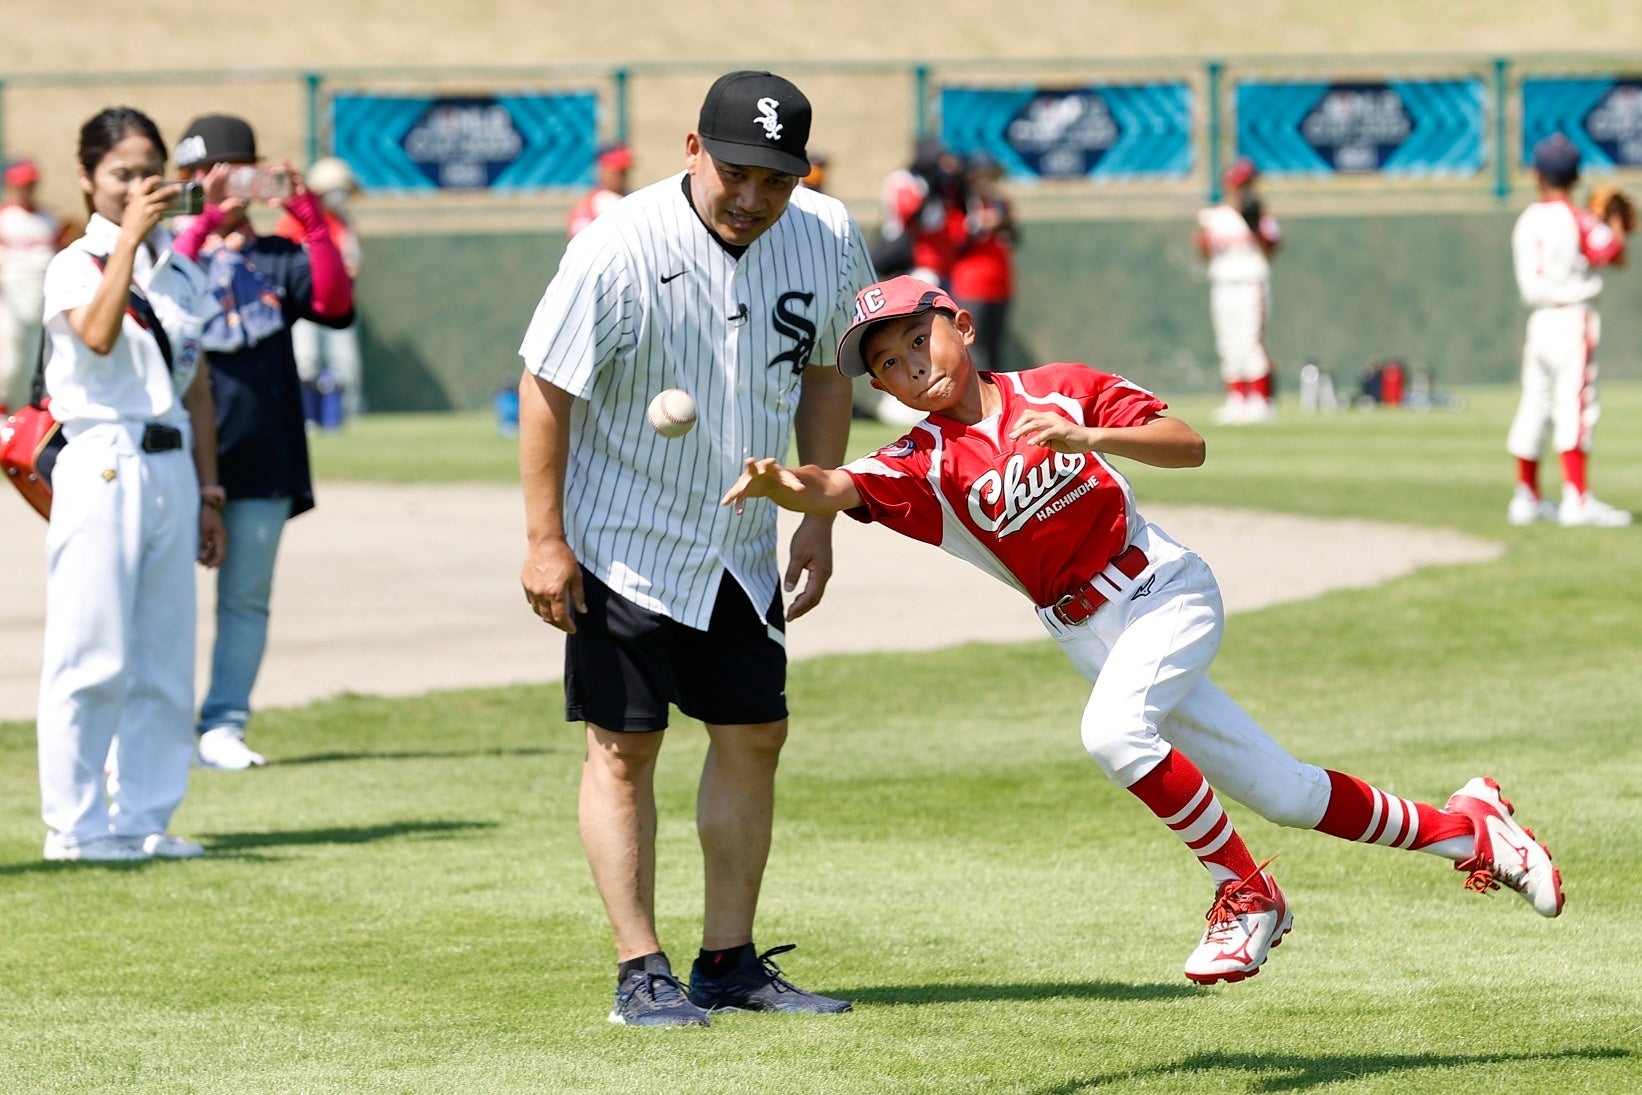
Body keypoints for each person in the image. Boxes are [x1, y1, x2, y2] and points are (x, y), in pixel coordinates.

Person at [722, 275, 1565, 985]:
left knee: (1114, 732)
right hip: (1092, 637)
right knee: (1286, 793)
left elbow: (1187, 443)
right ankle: (1471, 828)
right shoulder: (924, 462)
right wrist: (781, 483)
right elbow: (836, 482)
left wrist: (1090, 433)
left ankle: (1247, 892)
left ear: (963, 326)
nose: (911, 368)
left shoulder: (1057, 386)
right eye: (889, 366)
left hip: (1164, 590)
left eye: (917, 341)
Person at [517, 70, 877, 1027]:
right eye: (736, 173)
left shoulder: (828, 234)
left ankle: (729, 961)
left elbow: (830, 371)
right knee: (625, 746)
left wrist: (817, 510)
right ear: (692, 151)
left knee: (755, 733)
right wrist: (546, 540)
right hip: (624, 536)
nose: (754, 197)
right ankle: (642, 972)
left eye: (776, 179)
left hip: (740, 544)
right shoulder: (619, 248)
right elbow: (546, 386)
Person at [36, 106, 226, 861]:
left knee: (164, 652)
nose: (138, 186)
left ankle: (144, 815)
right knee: (91, 652)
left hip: (171, 462)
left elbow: (199, 386)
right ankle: (76, 827)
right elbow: (97, 333)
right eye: (121, 173)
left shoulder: (181, 270)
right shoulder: (74, 261)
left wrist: (211, 492)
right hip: (100, 458)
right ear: (88, 180)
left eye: (149, 170)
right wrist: (128, 243)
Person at [171, 114, 356, 769]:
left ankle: (222, 723)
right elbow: (163, 290)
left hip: (260, 457)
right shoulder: (165, 249)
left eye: (229, 171)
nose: (217, 185)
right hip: (171, 457)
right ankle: (156, 726)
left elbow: (333, 302)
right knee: (160, 599)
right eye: (199, 175)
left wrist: (310, 222)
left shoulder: (276, 254)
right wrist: (199, 221)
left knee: (245, 597)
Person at [1506, 133, 1631, 528]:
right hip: (1572, 317)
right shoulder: (1577, 218)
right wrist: (1613, 223)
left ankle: (1526, 496)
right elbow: (1610, 252)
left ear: (1536, 174)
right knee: (1574, 405)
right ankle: (1577, 499)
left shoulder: (1527, 220)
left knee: (1534, 404)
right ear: (1576, 175)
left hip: (1538, 320)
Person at [277, 156, 365, 424]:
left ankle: (345, 414)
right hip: (304, 303)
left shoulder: (342, 222)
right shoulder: (296, 222)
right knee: (306, 360)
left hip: (337, 300)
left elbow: (353, 261)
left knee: (344, 361)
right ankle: (308, 415)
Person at [1196, 158, 1280, 425]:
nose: (1240, 188)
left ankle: (1260, 401)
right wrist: (1203, 236)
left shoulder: (1259, 213)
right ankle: (1236, 400)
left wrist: (1255, 226)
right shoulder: (1216, 216)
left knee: (1250, 341)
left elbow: (1271, 248)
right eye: (1237, 183)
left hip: (1249, 283)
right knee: (1228, 343)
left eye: (1245, 183)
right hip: (1223, 284)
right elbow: (1205, 252)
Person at [0, 157, 72, 412]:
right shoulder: (5, 217)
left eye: (30, 184)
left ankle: (28, 416)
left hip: (42, 295)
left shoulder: (49, 217)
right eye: (21, 184)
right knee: (9, 364)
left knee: (39, 363)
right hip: (9, 296)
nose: (27, 189)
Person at [950, 151, 1017, 373]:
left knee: (995, 347)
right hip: (971, 287)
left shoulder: (1000, 203)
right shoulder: (961, 204)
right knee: (972, 346)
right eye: (981, 175)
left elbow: (1014, 238)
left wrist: (1004, 222)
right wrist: (979, 226)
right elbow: (954, 242)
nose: (986, 181)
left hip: (1000, 285)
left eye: (990, 176)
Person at [566, 143, 633, 239]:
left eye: (625, 172)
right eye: (619, 172)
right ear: (603, 171)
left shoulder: (628, 197)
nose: (623, 177)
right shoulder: (602, 201)